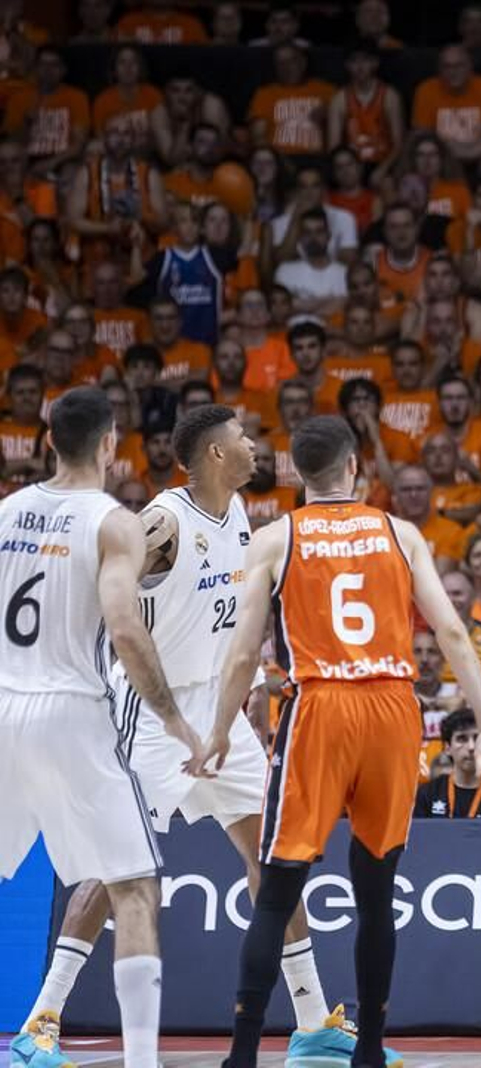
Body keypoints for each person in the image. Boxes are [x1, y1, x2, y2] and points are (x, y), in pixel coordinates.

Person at [11, 405, 369, 1068]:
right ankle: (40, 1022)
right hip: (154, 715)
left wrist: (248, 700)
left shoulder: (239, 513)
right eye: (243, 437)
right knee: (117, 870)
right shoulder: (163, 523)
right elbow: (100, 595)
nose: (254, 445)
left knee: (276, 857)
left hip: (218, 714)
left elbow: (231, 623)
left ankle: (313, 1021)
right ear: (214, 453)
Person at [190, 416, 481, 1068]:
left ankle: (242, 1055)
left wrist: (221, 728)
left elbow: (243, 651)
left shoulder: (276, 537)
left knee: (277, 890)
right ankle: (367, 1050)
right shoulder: (401, 532)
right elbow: (453, 634)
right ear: (355, 468)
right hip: (392, 709)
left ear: (297, 474)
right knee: (375, 894)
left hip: (320, 707)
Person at [0, 387, 196, 1068]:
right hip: (70, 711)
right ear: (111, 443)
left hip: (4, 705)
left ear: (49, 440)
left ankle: (40, 1028)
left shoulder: (6, 512)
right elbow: (125, 631)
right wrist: (172, 717)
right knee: (134, 884)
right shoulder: (112, 523)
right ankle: (141, 1061)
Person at [415, 710, 481, 819]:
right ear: (447, 748)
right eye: (462, 739)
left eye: (477, 738)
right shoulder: (427, 794)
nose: (471, 747)